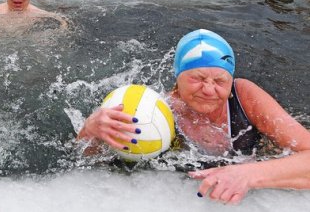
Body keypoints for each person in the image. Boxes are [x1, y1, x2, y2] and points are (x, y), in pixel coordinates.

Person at [77, 29, 310, 205]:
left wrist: (248, 174)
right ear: (178, 78)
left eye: (220, 81)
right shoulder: (155, 114)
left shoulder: (244, 96)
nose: (209, 90)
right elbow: (88, 164)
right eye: (197, 78)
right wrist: (91, 131)